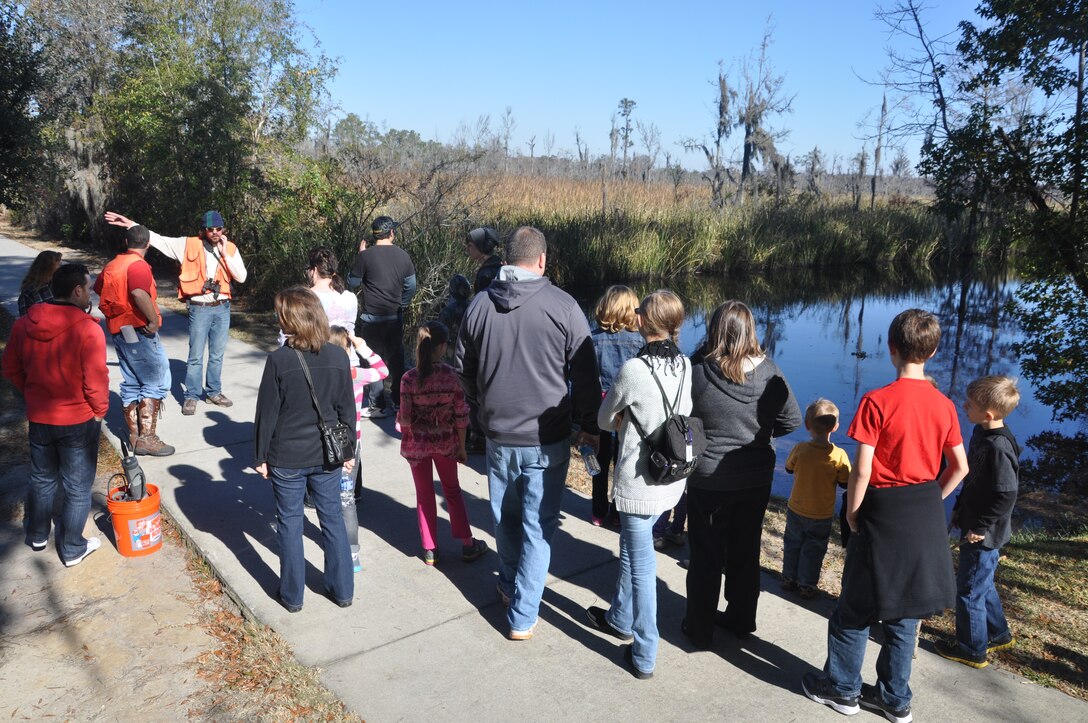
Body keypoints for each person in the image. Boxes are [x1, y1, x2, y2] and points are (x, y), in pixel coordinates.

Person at [803, 309, 968, 723]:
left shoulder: (877, 401)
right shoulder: (945, 405)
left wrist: (855, 513)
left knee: (855, 607)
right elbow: (960, 467)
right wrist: (934, 498)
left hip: (881, 510)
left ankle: (842, 690)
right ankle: (895, 700)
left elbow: (862, 470)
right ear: (932, 351)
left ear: (892, 349)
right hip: (921, 516)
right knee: (904, 612)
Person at [455, 226, 601, 641]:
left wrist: (482, 403)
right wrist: (589, 425)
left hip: (499, 433)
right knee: (538, 526)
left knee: (506, 517)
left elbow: (463, 368)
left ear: (506, 261)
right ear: (541, 261)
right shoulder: (565, 307)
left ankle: (508, 583)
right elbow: (587, 376)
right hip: (547, 437)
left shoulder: (480, 305)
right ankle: (522, 615)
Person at [584, 290, 691, 680]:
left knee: (642, 568)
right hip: (670, 479)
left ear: (644, 321)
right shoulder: (685, 364)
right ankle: (619, 617)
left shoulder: (633, 369)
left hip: (637, 482)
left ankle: (645, 651)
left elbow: (601, 418)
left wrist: (623, 419)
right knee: (633, 547)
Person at [683, 300, 802, 648]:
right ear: (750, 330)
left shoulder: (698, 371)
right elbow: (792, 420)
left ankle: (700, 628)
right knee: (745, 549)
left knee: (705, 553)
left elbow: (682, 417)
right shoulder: (770, 372)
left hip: (708, 477)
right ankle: (740, 619)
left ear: (714, 330)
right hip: (755, 477)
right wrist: (759, 433)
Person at [254, 287, 356, 612]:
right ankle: (342, 591)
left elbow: (266, 413)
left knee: (290, 522)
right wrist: (349, 451)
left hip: (287, 457)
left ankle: (292, 595)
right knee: (333, 520)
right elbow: (347, 410)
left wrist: (260, 456)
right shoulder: (339, 356)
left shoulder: (279, 360)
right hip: (328, 455)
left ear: (291, 319)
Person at [3, 263, 108, 566]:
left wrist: (33, 392)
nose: (91, 294)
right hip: (77, 421)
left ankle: (37, 534)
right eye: (89, 288)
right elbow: (96, 380)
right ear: (77, 290)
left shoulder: (24, 323)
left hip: (40, 416)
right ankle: (72, 547)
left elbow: (10, 368)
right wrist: (99, 411)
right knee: (77, 487)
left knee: (42, 478)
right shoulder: (88, 328)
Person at [104, 209, 248, 415]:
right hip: (200, 308)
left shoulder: (230, 248)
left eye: (219, 228)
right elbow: (158, 239)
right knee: (196, 355)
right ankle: (191, 395)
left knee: (217, 354)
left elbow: (241, 277)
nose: (215, 232)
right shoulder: (187, 244)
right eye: (210, 229)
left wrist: (225, 254)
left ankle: (214, 391)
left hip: (222, 308)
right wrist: (130, 224)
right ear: (203, 230)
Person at [935, 375, 1021, 669]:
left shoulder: (999, 446)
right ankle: (997, 633)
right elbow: (973, 478)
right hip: (972, 519)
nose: (963, 406)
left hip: (984, 533)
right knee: (981, 584)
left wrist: (980, 527)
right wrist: (959, 505)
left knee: (969, 591)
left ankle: (972, 648)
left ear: (988, 414)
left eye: (969, 404)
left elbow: (1006, 494)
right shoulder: (980, 432)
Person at [397, 321, 488, 566]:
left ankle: (430, 549)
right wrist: (461, 446)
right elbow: (461, 415)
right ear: (442, 346)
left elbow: (404, 418)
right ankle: (468, 544)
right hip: (446, 443)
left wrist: (408, 436)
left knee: (424, 494)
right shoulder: (451, 376)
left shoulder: (408, 378)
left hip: (418, 446)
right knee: (453, 492)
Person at [94, 224, 175, 456]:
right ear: (148, 244)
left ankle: (134, 437)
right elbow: (139, 293)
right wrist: (152, 321)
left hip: (120, 330)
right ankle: (147, 439)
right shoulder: (137, 266)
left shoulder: (113, 264)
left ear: (127, 243)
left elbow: (100, 287)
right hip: (139, 330)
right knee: (154, 380)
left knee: (131, 381)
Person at [329, 326, 388, 573]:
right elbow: (383, 371)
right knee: (346, 500)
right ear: (347, 350)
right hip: (350, 445)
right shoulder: (356, 374)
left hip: (323, 445)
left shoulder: (319, 374)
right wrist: (362, 346)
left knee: (328, 500)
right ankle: (352, 554)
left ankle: (333, 544)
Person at [781, 398, 852, 599]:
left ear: (807, 425)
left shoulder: (801, 449)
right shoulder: (839, 455)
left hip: (796, 507)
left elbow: (788, 467)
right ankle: (807, 584)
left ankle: (788, 578)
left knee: (793, 543)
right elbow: (845, 482)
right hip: (821, 513)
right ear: (836, 427)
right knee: (814, 548)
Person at [348, 215, 416, 418]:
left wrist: (361, 256)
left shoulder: (366, 256)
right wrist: (402, 303)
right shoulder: (403, 256)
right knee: (396, 359)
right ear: (391, 233)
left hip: (371, 318)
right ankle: (398, 402)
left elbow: (352, 282)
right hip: (394, 317)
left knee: (372, 359)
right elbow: (411, 286)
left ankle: (377, 405)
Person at [589, 285, 643, 527]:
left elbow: (583, 378)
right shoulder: (641, 341)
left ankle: (598, 511)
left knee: (599, 460)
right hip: (629, 409)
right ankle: (620, 511)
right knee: (624, 461)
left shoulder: (593, 339)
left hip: (601, 407)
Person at [278, 247, 358, 347]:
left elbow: (287, 336)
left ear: (314, 270)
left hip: (316, 358)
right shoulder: (350, 297)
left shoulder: (302, 299)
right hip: (350, 358)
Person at [17, 250, 63, 316]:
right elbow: (24, 321)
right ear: (47, 268)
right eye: (58, 265)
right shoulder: (29, 292)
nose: (60, 268)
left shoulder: (60, 285)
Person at [465, 226, 502, 294]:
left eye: (470, 245)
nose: (467, 249)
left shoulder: (485, 275)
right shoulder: (500, 265)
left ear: (480, 246)